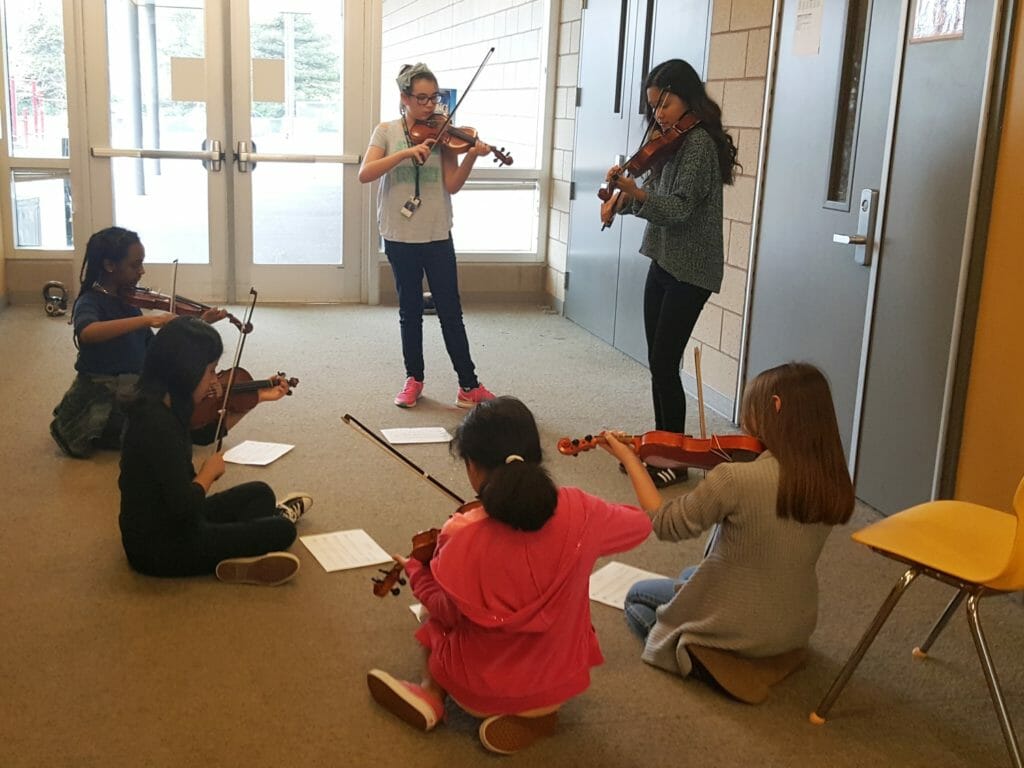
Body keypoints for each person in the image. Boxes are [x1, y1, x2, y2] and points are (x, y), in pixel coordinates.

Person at [366, 396, 652, 754]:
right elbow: (650, 519)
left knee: (432, 618)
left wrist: (416, 572)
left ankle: (430, 692)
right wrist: (630, 457)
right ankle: (538, 716)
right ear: (535, 457)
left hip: (477, 693)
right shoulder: (584, 510)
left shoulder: (462, 533)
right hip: (557, 684)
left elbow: (446, 610)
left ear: (473, 467)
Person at [601, 362, 855, 683]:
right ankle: (752, 650)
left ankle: (699, 653)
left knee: (638, 597)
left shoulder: (737, 479)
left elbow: (667, 523)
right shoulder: (829, 477)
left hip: (743, 626)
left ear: (775, 405)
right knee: (690, 575)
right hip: (795, 625)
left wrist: (631, 459)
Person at [603, 59, 740, 488]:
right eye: (653, 107)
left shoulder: (697, 144)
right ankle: (663, 447)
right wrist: (622, 200)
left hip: (691, 268)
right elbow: (655, 201)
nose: (659, 114)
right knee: (658, 362)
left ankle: (675, 459)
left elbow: (677, 209)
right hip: (663, 258)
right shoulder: (670, 143)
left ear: (687, 96)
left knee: (665, 361)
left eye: (665, 103)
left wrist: (634, 193)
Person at [118, 316, 312, 586]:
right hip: (159, 549)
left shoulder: (163, 402)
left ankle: (236, 549)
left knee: (260, 492)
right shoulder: (155, 426)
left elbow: (206, 433)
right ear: (186, 371)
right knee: (281, 531)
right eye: (210, 371)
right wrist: (207, 475)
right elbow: (183, 505)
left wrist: (256, 399)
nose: (214, 381)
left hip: (173, 521)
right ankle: (240, 555)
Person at [359, 62, 496, 410]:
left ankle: (469, 385)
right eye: (421, 98)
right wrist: (405, 152)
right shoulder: (386, 131)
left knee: (451, 310)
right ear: (404, 98)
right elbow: (366, 173)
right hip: (399, 234)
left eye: (434, 98)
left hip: (436, 232)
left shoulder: (445, 134)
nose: (429, 106)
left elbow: (452, 185)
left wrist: (472, 159)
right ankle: (414, 379)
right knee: (410, 310)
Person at [49, 226, 227, 458]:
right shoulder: (90, 301)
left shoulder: (129, 301)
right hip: (105, 391)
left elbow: (156, 349)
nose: (141, 271)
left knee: (180, 410)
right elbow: (87, 332)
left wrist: (201, 322)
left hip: (136, 383)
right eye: (135, 265)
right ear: (109, 265)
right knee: (158, 429)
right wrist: (145, 321)